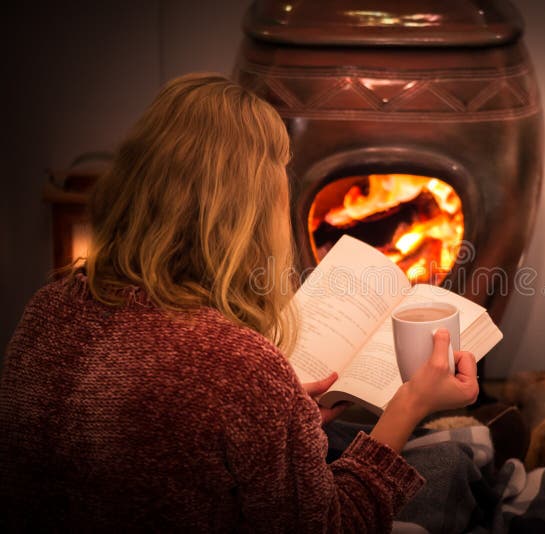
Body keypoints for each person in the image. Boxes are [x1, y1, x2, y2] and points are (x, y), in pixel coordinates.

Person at [0, 73, 479, 532]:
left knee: (386, 452)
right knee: (451, 464)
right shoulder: (238, 366)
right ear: (251, 211)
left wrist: (283, 414)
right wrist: (409, 403)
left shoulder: (48, 308)